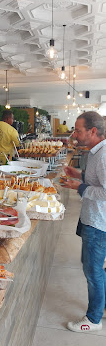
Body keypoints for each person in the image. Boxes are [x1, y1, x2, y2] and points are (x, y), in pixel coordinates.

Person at [62, 111, 106, 333]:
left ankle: (93, 319)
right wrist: (78, 175)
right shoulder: (96, 152)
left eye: (78, 131)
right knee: (95, 269)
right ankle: (102, 305)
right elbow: (96, 179)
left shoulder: (104, 154)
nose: (75, 135)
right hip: (93, 219)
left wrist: (78, 187)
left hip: (99, 223)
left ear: (93, 131)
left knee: (93, 271)